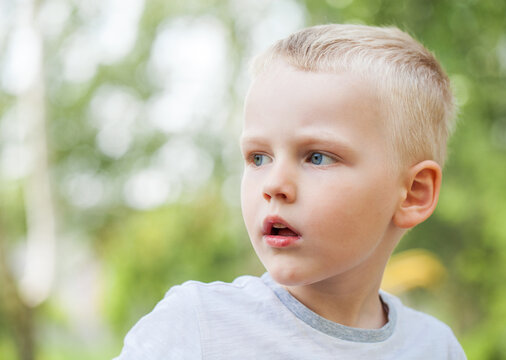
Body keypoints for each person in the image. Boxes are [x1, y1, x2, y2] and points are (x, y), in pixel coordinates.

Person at [115, 24, 466, 359]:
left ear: (413, 193)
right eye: (258, 157)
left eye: (317, 157)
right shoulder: (197, 328)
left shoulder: (436, 348)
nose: (273, 185)